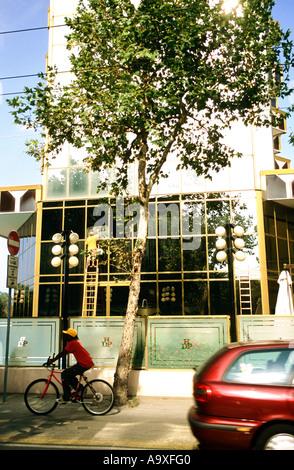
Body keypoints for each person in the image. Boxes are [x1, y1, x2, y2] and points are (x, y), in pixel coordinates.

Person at [47, 328, 94, 404]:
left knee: (64, 374)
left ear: (71, 336)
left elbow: (63, 353)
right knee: (69, 374)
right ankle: (80, 389)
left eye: (66, 335)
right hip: (85, 363)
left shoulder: (72, 343)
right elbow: (64, 353)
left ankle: (66, 397)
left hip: (84, 364)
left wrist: (52, 360)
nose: (65, 336)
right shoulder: (74, 342)